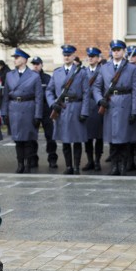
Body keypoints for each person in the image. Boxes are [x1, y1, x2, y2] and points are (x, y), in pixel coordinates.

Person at [93, 39, 136, 175]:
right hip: (110, 104)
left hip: (125, 104)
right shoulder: (104, 68)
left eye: (119, 50)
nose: (116, 52)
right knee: (113, 140)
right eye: (114, 50)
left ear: (124, 51)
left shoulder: (131, 68)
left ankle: (123, 166)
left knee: (124, 139)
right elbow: (96, 87)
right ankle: (114, 166)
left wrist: (135, 110)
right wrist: (99, 100)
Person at [46, 44, 90, 174]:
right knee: (65, 140)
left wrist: (84, 111)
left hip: (76, 107)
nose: (66, 57)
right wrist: (51, 103)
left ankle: (76, 166)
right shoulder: (57, 72)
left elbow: (86, 93)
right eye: (65, 55)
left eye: (69, 55)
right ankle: (68, 166)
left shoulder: (81, 72)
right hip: (62, 108)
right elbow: (49, 90)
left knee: (76, 140)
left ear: (73, 56)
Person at [2, 49, 43, 173]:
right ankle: (20, 164)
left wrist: (38, 115)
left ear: (24, 60)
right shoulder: (10, 75)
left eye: (17, 58)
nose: (15, 60)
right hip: (14, 108)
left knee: (28, 139)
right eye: (14, 58)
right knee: (18, 139)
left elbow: (39, 97)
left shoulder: (34, 76)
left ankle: (28, 164)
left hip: (28, 108)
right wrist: (4, 113)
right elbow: (5, 96)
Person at [29, 56, 58, 170]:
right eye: (34, 64)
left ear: (41, 65)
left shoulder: (47, 78)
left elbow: (52, 92)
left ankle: (52, 159)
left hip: (46, 109)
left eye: (38, 64)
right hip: (34, 109)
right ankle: (32, 159)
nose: (36, 66)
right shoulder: (29, 78)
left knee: (50, 135)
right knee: (32, 136)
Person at [83, 47, 105, 172]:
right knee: (88, 137)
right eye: (89, 56)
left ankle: (97, 160)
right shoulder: (82, 72)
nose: (90, 58)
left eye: (93, 56)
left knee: (99, 136)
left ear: (98, 58)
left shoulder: (102, 71)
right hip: (86, 107)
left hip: (98, 106)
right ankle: (90, 160)